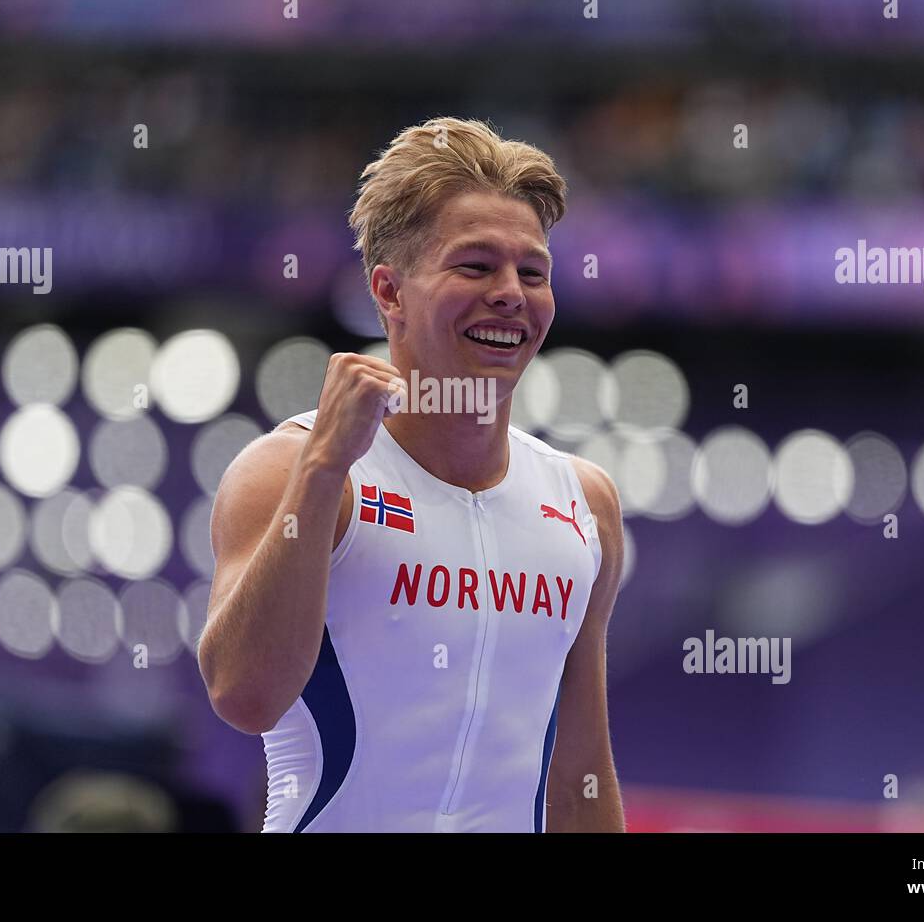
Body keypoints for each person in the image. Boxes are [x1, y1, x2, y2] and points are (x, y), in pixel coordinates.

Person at [198, 117, 626, 832]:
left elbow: (581, 768)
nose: (511, 293)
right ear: (390, 293)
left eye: (533, 272)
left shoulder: (584, 502)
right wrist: (325, 468)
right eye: (475, 266)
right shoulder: (288, 469)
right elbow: (245, 696)